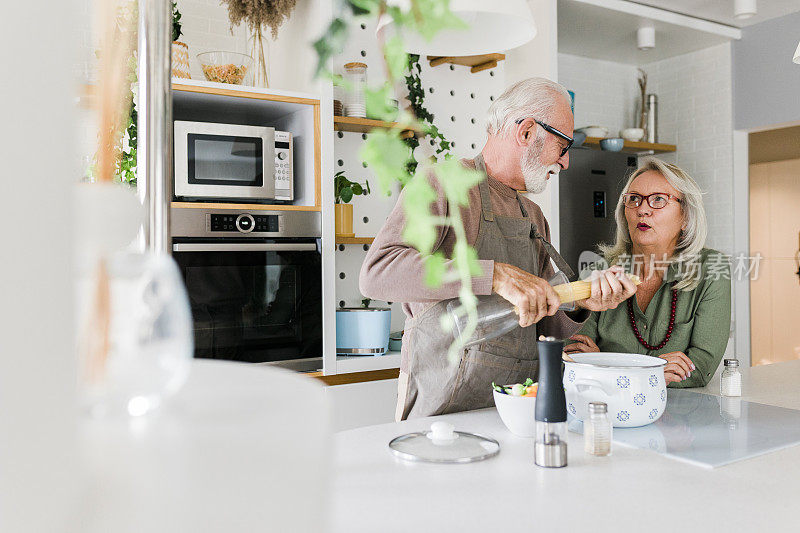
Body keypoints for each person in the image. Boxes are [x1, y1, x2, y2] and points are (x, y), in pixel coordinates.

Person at [359, 78, 637, 421]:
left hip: (515, 408)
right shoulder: (441, 184)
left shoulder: (533, 216)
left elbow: (544, 325)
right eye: (563, 146)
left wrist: (580, 302)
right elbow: (379, 272)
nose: (565, 163)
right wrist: (494, 274)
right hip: (441, 411)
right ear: (526, 131)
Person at [564, 158, 731, 387]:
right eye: (633, 199)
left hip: (681, 417)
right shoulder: (600, 270)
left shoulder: (712, 269)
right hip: (608, 410)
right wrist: (652, 375)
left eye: (658, 200)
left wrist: (606, 366)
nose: (642, 210)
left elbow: (700, 368)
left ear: (686, 216)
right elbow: (575, 357)